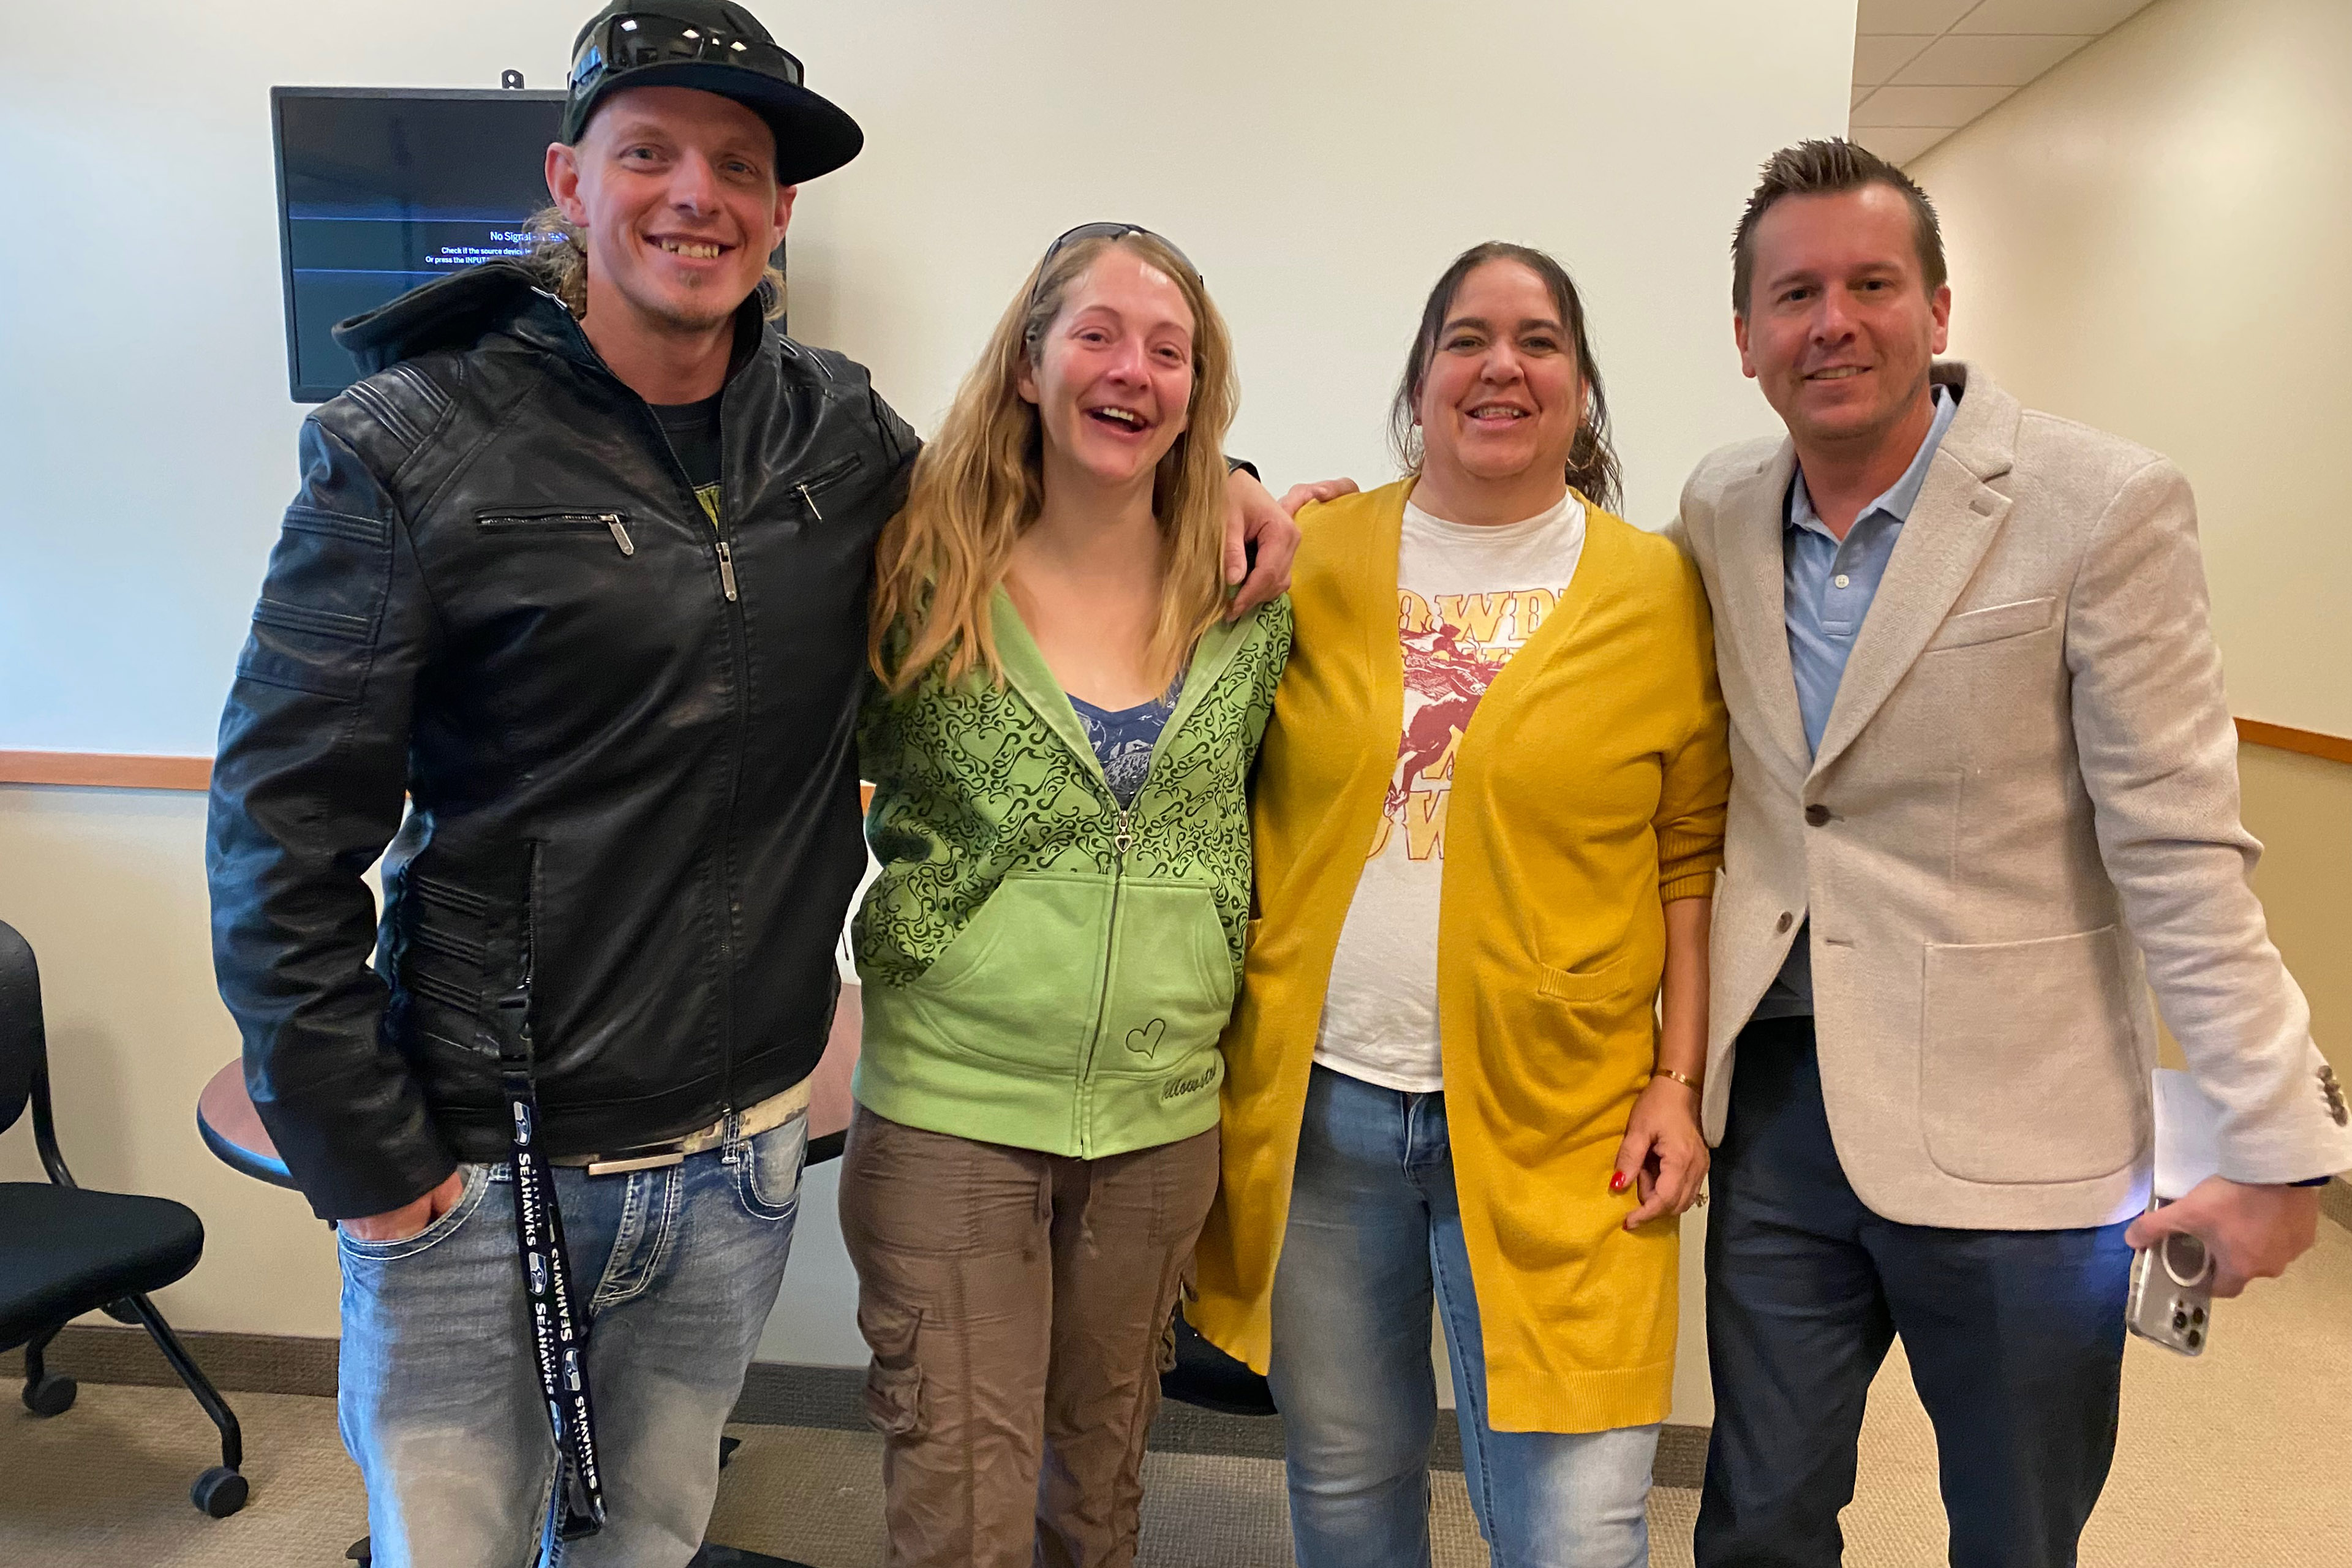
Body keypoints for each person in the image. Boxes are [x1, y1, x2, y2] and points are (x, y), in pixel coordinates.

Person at [203, 5, 1298, 1561]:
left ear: (782, 212)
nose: (695, 195)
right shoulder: (409, 445)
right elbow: (278, 827)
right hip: (481, 1153)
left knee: (647, 1538)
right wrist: (373, 1165)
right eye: (650, 152)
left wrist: (1238, 480)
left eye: (738, 163)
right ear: (570, 178)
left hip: (732, 1155)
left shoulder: (841, 439)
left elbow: (1053, 476)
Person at [1671, 138, 2352, 1568]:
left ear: (1938, 308)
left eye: (1871, 283)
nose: (1832, 322)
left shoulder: (2100, 503)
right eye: (1794, 295)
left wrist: (2284, 1142)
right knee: (1757, 1517)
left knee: (2016, 1530)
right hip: (1786, 1110)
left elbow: (2179, 844)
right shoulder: (1720, 509)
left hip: (2022, 1136)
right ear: (1745, 338)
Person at [1191, 241, 1732, 1568]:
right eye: (1468, 337)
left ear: (1584, 388)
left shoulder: (1658, 588)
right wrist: (1223, 477)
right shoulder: (1310, 555)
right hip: (1323, 1108)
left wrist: (1681, 1073)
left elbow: (1689, 852)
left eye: (1540, 340)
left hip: (1571, 1119)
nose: (1503, 364)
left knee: (1577, 1526)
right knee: (1348, 1478)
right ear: (1421, 380)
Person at [842, 224, 1290, 1567]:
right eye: (1097, 333)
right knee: (965, 1506)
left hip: (1160, 1119)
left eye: (1171, 348)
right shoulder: (915, 563)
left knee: (1099, 1495)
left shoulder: (1252, 587)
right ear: (1030, 362)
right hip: (954, 1112)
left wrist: (1254, 490)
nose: (1132, 370)